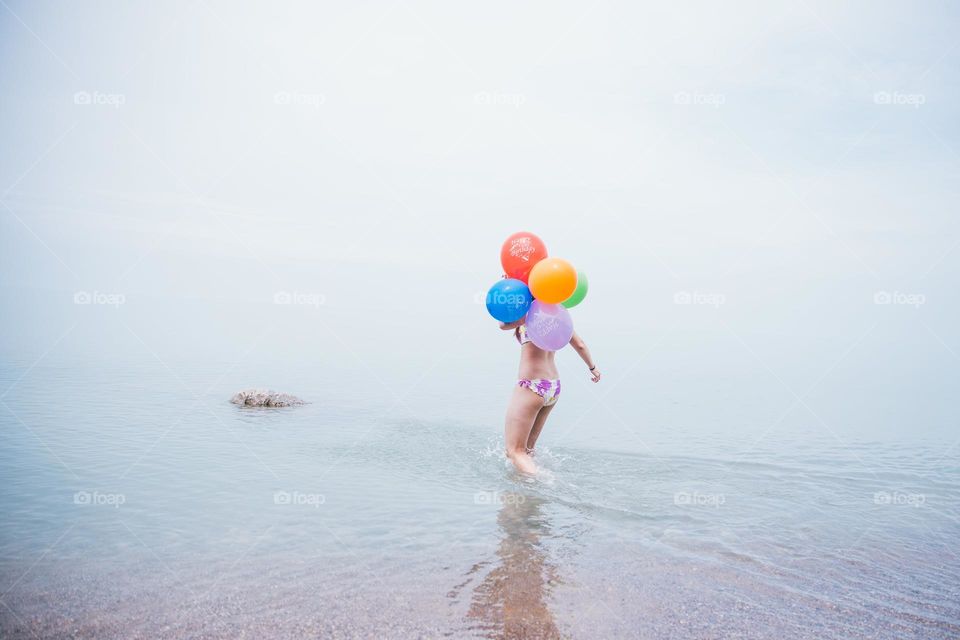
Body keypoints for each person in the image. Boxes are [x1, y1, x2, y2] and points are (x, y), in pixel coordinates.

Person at [499, 318, 600, 474]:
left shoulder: (526, 315)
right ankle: (528, 493)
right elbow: (580, 344)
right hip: (553, 387)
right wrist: (592, 367)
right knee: (527, 450)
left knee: (515, 451)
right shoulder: (558, 315)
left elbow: (502, 325)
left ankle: (541, 481)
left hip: (532, 386)